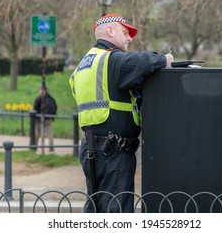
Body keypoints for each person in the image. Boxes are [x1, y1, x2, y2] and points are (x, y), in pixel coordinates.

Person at [69, 13, 174, 213]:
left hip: (91, 147)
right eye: (125, 32)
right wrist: (164, 58)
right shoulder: (112, 60)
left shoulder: (82, 66)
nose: (130, 38)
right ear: (110, 31)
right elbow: (142, 62)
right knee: (116, 211)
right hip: (114, 151)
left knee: (96, 207)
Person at [33, 84, 57, 152]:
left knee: (50, 134)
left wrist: (48, 115)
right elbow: (35, 108)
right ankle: (34, 146)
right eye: (41, 90)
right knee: (37, 134)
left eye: (43, 90)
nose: (42, 91)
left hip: (47, 120)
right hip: (39, 120)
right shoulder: (38, 99)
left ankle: (51, 147)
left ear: (46, 91)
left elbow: (53, 108)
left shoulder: (50, 99)